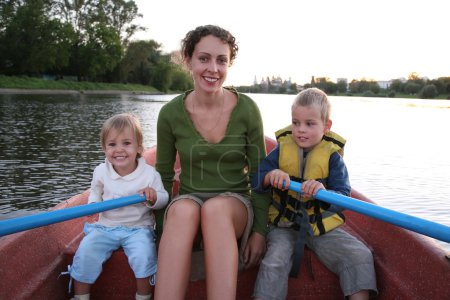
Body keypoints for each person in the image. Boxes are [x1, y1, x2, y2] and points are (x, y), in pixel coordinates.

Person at [154, 25, 271, 300]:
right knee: (182, 211)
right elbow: (163, 177)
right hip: (190, 201)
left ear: (229, 64)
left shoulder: (247, 109)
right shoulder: (170, 113)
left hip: (234, 206)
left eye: (221, 60)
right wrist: (160, 231)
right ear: (189, 60)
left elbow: (259, 174)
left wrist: (260, 231)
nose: (213, 69)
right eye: (204, 58)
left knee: (216, 210)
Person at [252, 88, 378, 300]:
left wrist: (324, 192)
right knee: (275, 260)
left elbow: (343, 196)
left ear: (326, 126)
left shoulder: (333, 158)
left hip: (321, 228)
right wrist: (270, 175)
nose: (300, 130)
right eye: (295, 122)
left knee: (360, 255)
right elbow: (256, 180)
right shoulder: (281, 149)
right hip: (284, 226)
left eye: (309, 124)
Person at [70, 113, 169, 300]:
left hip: (138, 229)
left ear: (139, 147)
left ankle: (143, 296)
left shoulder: (149, 174)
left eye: (126, 143)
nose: (119, 150)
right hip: (105, 227)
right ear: (104, 148)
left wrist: (153, 196)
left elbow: (164, 198)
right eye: (112, 144)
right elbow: (95, 191)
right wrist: (94, 204)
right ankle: (81, 296)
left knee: (144, 255)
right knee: (85, 252)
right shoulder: (101, 171)